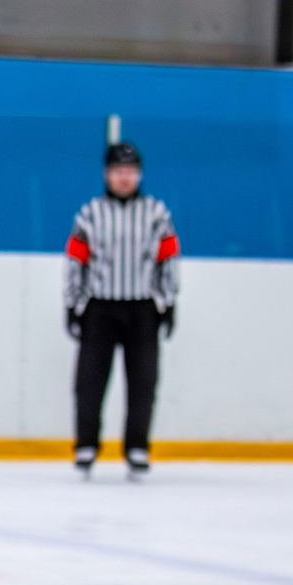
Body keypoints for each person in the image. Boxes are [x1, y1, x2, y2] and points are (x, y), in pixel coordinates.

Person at [65, 140, 179, 478]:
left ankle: (137, 447)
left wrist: (169, 301)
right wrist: (72, 303)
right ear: (107, 174)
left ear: (139, 175)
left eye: (130, 172)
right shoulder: (90, 213)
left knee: (143, 382)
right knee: (89, 381)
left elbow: (168, 258)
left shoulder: (157, 213)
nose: (124, 178)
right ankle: (86, 445)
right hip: (100, 307)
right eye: (118, 172)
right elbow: (76, 259)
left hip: (142, 308)